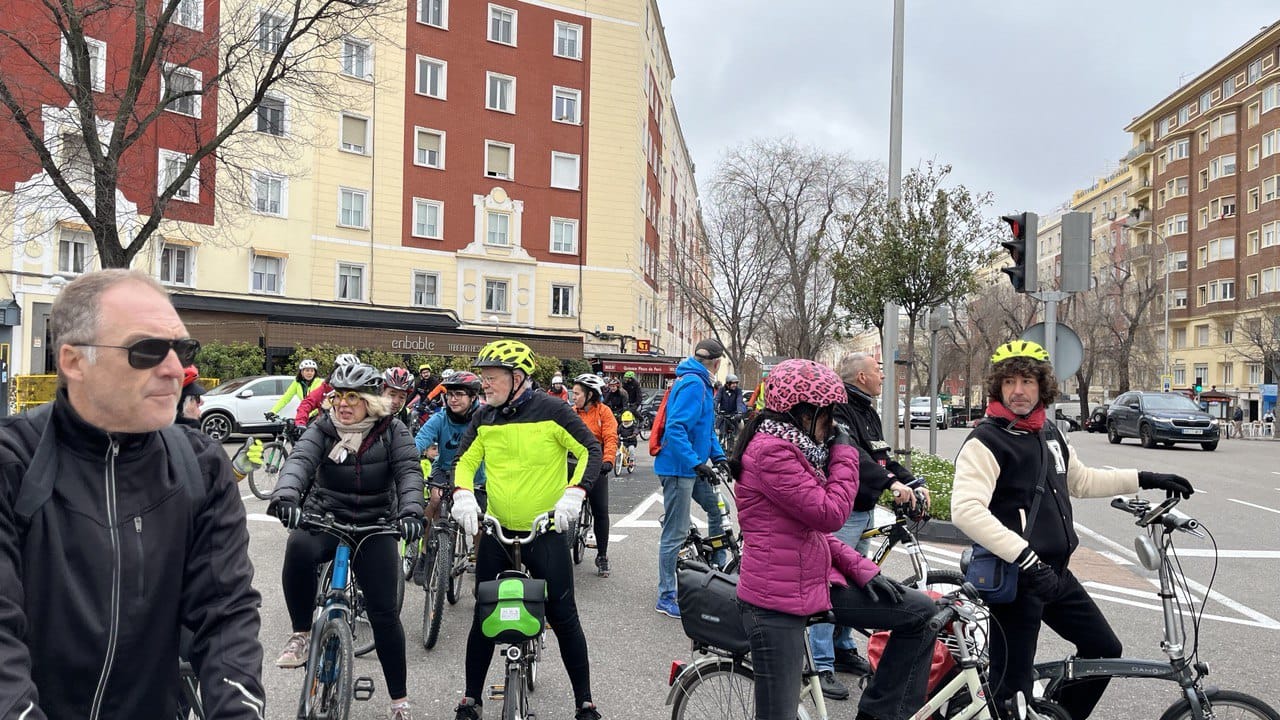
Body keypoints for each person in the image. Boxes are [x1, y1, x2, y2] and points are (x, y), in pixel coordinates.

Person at [0, 269, 265, 719]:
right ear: (74, 361)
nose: (176, 370)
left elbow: (226, 613)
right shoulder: (13, 462)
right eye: (147, 350)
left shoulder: (201, 465)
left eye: (182, 349)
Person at [952, 340, 1195, 720]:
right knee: (1010, 694)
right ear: (998, 387)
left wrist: (1145, 478)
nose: (1018, 390)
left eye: (1027, 381)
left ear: (1042, 386)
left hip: (1054, 574)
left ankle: (1058, 713)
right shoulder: (986, 440)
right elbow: (966, 511)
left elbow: (1080, 481)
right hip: (1016, 578)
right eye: (1010, 382)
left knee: (1103, 649)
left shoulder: (1047, 432)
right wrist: (1026, 559)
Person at [733, 358, 939, 720]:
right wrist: (845, 453)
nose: (832, 425)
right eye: (827, 414)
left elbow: (812, 535)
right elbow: (830, 515)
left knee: (920, 613)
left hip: (810, 582)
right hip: (776, 601)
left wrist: (865, 571)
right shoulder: (771, 452)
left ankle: (880, 714)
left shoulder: (797, 447)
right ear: (801, 413)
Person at [448, 340, 604, 720]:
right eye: (483, 378)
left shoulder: (553, 411)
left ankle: (584, 702)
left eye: (492, 378)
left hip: (545, 530)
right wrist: (463, 494)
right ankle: (471, 698)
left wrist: (575, 493)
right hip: (498, 530)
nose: (484, 384)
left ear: (517, 377)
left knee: (563, 615)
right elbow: (465, 461)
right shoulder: (484, 417)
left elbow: (590, 449)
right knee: (484, 614)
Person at [269, 362, 425, 720]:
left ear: (372, 401)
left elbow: (408, 472)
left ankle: (399, 700)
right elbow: (299, 461)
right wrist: (286, 497)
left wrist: (412, 512)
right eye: (338, 396)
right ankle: (301, 633)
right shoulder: (323, 428)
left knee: (385, 615)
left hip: (376, 525)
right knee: (298, 547)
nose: (343, 404)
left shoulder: (393, 431)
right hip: (327, 517)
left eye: (353, 397)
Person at [810, 353, 930, 693]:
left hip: (863, 508)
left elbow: (881, 457)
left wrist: (913, 481)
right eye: (878, 371)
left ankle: (842, 648)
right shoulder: (840, 409)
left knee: (856, 582)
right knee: (829, 585)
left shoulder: (868, 410)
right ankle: (819, 664)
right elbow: (857, 459)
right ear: (861, 376)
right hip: (843, 512)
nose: (883, 376)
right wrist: (891, 484)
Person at [654, 338, 731, 618]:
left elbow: (705, 430)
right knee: (675, 533)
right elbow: (675, 429)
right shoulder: (693, 384)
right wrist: (696, 462)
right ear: (717, 363)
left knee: (719, 509)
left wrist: (719, 457)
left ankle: (716, 568)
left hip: (692, 466)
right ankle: (666, 595)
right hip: (678, 468)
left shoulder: (703, 383)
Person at [414, 370, 486, 553]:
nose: (453, 399)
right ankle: (423, 550)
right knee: (436, 499)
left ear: (473, 397)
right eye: (450, 394)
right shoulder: (440, 419)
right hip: (444, 470)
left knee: (478, 523)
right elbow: (419, 441)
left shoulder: (484, 418)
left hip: (476, 477)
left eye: (459, 394)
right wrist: (408, 457)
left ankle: (479, 559)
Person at [571, 373, 618, 577]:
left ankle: (602, 555)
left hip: (596, 463)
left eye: (577, 394)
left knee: (600, 511)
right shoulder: (571, 413)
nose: (573, 397)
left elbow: (610, 437)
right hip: (573, 463)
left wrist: (608, 460)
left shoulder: (604, 412)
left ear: (590, 395)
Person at [293, 352, 361, 427]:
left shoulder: (362, 389)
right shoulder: (326, 388)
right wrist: (300, 423)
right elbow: (307, 403)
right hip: (326, 428)